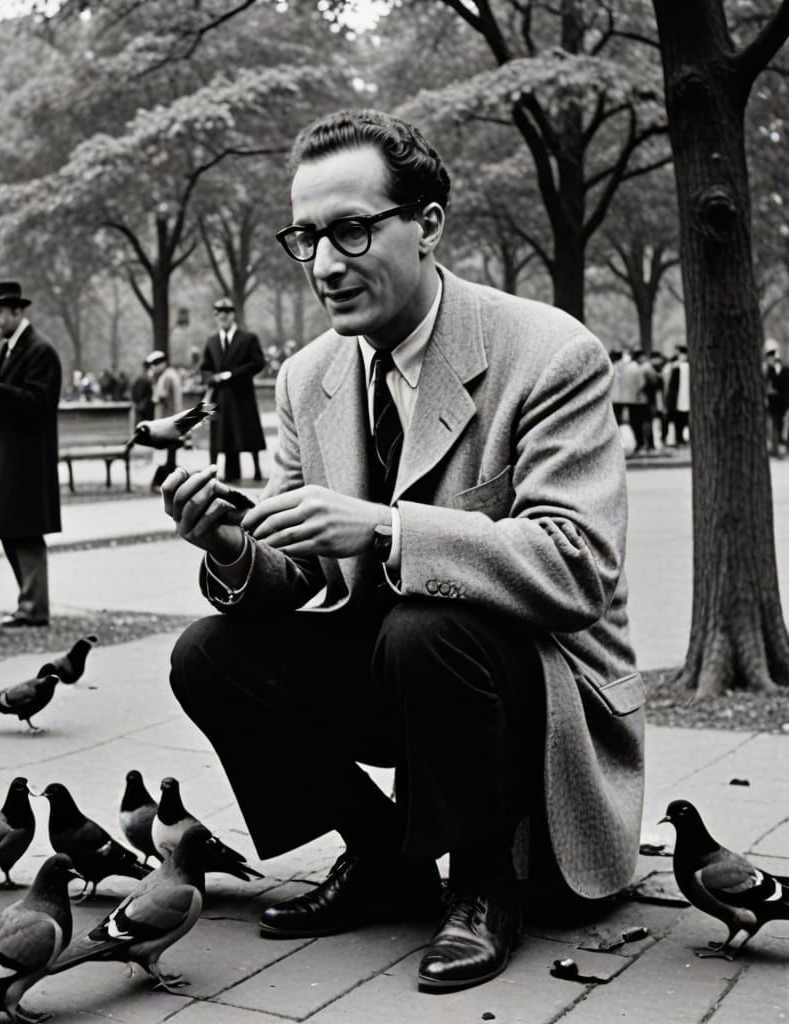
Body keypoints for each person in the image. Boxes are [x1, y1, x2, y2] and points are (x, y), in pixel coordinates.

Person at [163, 110, 642, 994]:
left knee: (425, 627)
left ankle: (486, 880)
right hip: (398, 675)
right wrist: (231, 543)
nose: (325, 264)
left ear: (428, 224)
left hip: (532, 694)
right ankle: (384, 854)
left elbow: (578, 567)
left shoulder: (548, 352)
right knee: (207, 655)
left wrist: (385, 528)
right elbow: (302, 569)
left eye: (350, 229)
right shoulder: (309, 377)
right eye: (305, 238)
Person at [0, 281, 62, 628]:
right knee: (11, 529)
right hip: (9, 457)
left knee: (26, 531)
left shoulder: (39, 350)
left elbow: (37, 403)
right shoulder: (12, 349)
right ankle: (29, 604)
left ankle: (34, 608)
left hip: (26, 461)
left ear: (17, 312)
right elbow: (11, 398)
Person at [201, 297, 266, 482]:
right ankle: (216, 472)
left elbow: (258, 363)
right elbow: (204, 367)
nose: (223, 317)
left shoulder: (248, 338)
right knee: (221, 435)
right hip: (219, 396)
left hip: (242, 395)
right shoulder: (212, 341)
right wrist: (212, 377)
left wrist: (232, 374)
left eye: (227, 314)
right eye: (219, 315)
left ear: (233, 315)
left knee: (246, 434)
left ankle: (257, 471)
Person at [146, 349, 184, 490]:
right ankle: (166, 482)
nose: (153, 368)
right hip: (174, 420)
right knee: (170, 455)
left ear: (162, 364)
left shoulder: (165, 377)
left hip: (168, 421)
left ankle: (161, 483)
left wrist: (153, 382)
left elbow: (160, 397)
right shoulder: (171, 374)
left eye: (155, 364)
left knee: (166, 455)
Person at [763, 340, 789, 458]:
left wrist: (776, 391)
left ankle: (781, 447)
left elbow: (785, 387)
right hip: (773, 404)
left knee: (781, 426)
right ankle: (775, 448)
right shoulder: (770, 371)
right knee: (774, 425)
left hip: (782, 402)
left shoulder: (783, 370)